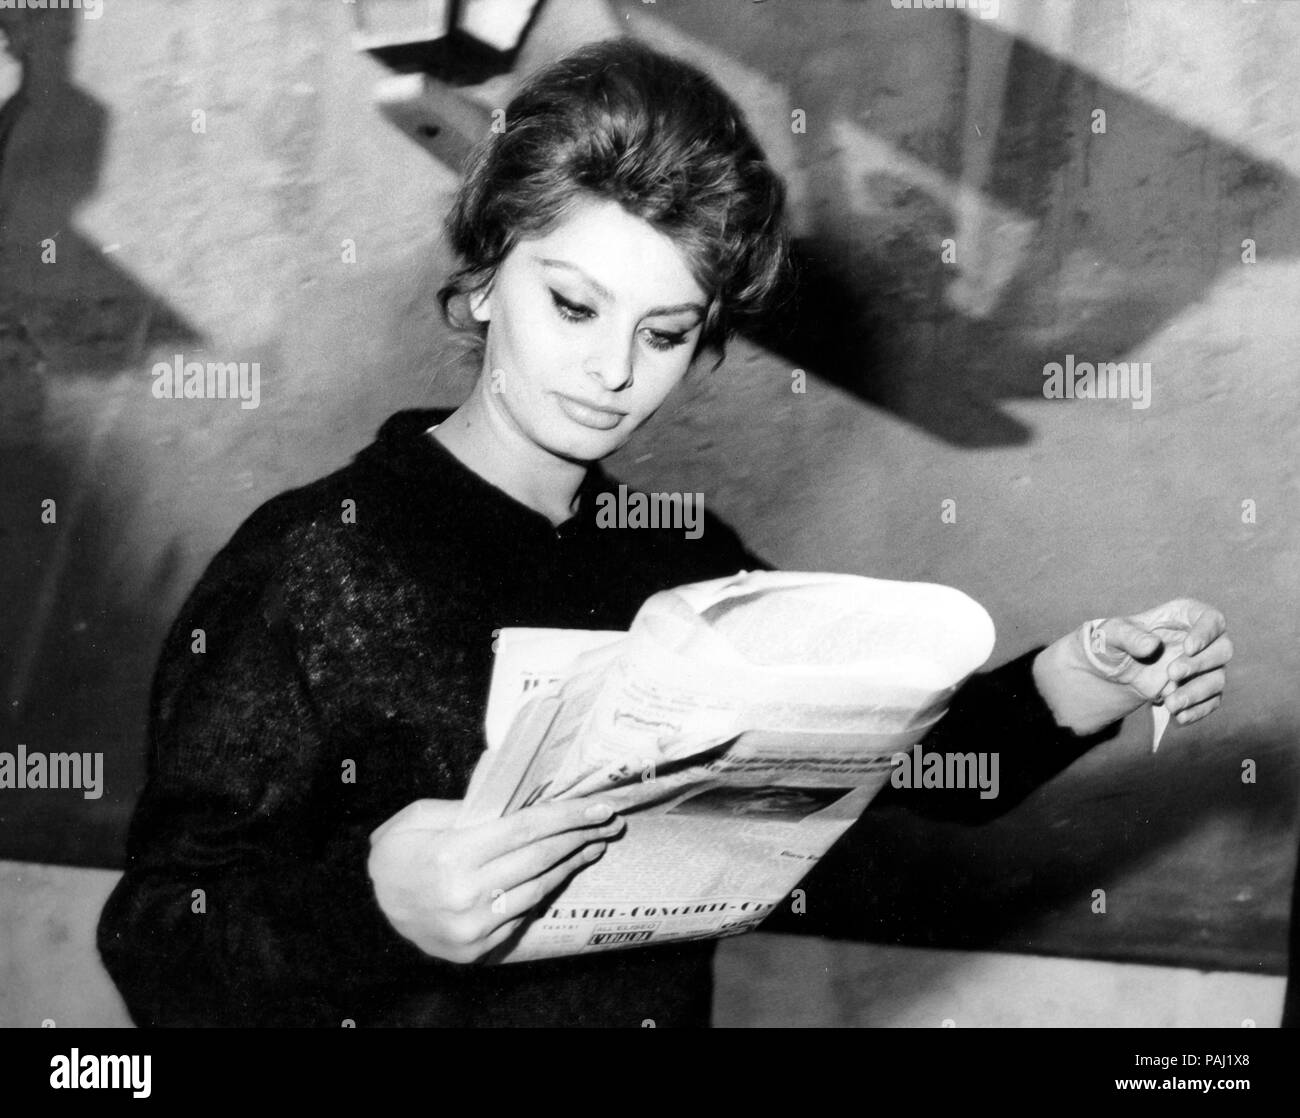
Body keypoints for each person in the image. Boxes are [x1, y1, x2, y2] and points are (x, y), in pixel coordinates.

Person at [97, 38, 1232, 1028]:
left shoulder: (683, 558)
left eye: (668, 331)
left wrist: (1083, 674)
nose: (613, 372)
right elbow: (159, 940)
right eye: (574, 305)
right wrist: (365, 909)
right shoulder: (319, 557)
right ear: (486, 279)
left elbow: (907, 759)